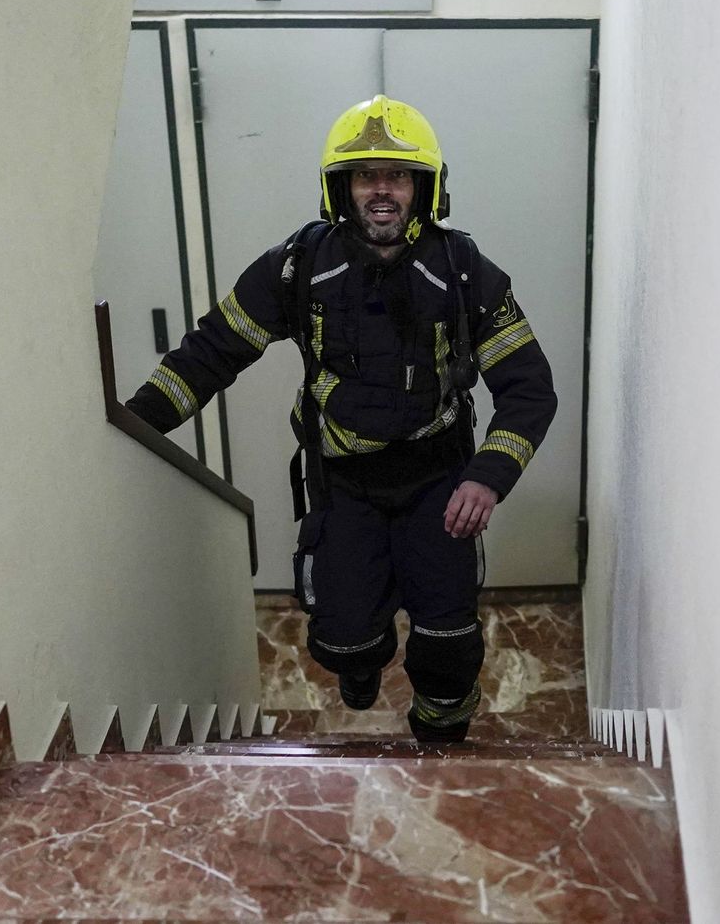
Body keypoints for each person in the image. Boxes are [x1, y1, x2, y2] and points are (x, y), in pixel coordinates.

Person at [127, 95, 558, 742]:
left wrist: (487, 477)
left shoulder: (467, 273)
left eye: (398, 175)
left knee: (449, 639)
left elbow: (530, 390)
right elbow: (211, 352)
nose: (381, 190)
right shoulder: (298, 267)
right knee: (344, 639)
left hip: (440, 481)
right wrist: (133, 430)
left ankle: (441, 737)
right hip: (343, 482)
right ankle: (363, 660)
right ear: (340, 187)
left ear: (425, 187)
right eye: (365, 176)